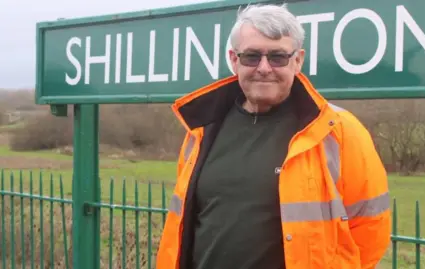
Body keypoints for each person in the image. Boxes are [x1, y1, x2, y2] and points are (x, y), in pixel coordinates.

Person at [156, 3, 391, 269]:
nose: (264, 68)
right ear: (234, 60)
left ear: (298, 60)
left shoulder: (337, 130)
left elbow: (371, 227)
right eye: (252, 56)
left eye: (278, 57)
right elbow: (182, 224)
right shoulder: (200, 130)